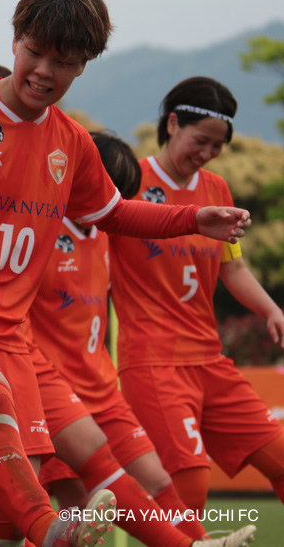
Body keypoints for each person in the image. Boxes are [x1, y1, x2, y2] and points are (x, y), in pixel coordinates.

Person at [0, 0, 250, 547]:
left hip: (11, 340)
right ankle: (52, 530)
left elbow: (114, 213)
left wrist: (193, 219)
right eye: (34, 52)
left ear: (83, 65)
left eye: (62, 62)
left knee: (4, 508)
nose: (43, 71)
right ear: (15, 38)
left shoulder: (70, 142)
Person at [27, 131, 255, 547]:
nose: (114, 204)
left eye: (121, 197)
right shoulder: (40, 228)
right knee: (76, 507)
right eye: (111, 192)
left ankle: (201, 543)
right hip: (51, 392)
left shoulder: (107, 235)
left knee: (158, 480)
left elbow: (159, 238)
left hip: (102, 390)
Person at [110, 76, 284, 512]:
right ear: (172, 124)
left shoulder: (217, 190)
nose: (207, 153)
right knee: (188, 489)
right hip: (153, 361)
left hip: (210, 358)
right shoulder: (130, 179)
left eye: (218, 146)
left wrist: (272, 310)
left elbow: (233, 267)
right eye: (201, 141)